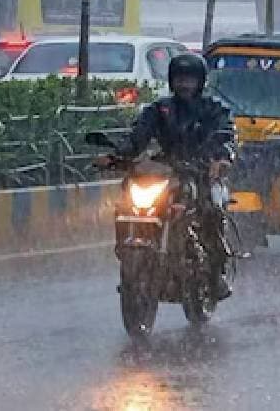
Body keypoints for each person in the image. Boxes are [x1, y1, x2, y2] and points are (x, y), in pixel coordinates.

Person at [94, 53, 236, 300]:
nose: (184, 84)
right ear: (172, 80)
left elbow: (225, 135)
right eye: (180, 79)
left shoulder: (213, 108)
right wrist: (116, 155)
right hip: (166, 170)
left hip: (200, 171)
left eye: (190, 80)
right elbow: (137, 137)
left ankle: (215, 275)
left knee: (210, 210)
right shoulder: (159, 109)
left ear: (200, 82)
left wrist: (220, 159)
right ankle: (130, 254)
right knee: (128, 200)